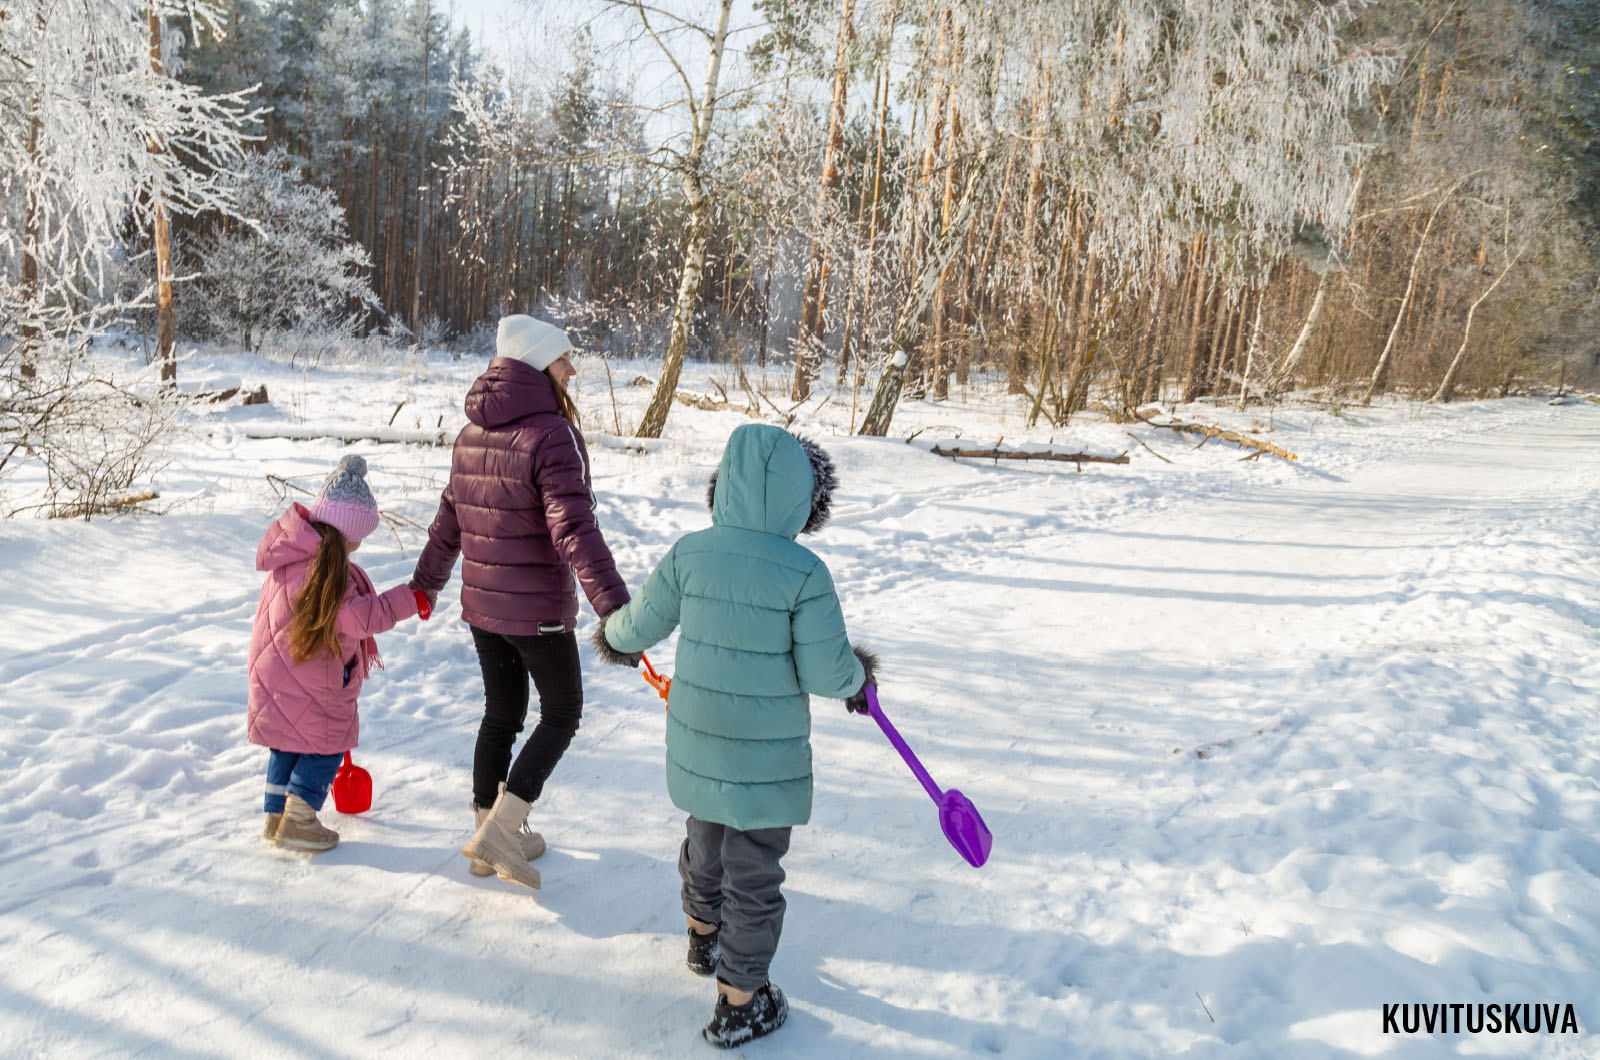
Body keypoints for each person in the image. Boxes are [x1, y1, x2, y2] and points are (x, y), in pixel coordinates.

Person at [597, 423, 877, 1049]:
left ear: (723, 485)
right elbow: (828, 671)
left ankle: (702, 936)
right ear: (803, 503)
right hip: (766, 754)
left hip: (699, 737)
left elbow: (639, 623)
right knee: (753, 872)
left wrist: (613, 638)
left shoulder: (690, 552)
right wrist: (859, 678)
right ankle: (739, 1003)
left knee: (706, 833)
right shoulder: (805, 572)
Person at [411, 314, 633, 890]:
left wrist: (425, 584)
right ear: (537, 365)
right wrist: (615, 608)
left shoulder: (470, 434)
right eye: (563, 360)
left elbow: (446, 525)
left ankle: (486, 833)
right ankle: (505, 828)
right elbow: (573, 528)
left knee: (502, 715)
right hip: (536, 611)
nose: (572, 369)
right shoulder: (551, 435)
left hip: (484, 610)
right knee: (562, 713)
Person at [247, 455, 428, 852]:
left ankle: (275, 815)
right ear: (348, 533)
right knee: (325, 747)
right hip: (315, 680)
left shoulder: (291, 556)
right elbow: (362, 618)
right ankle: (300, 817)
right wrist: (410, 598)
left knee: (286, 744)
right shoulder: (329, 573)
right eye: (361, 535)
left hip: (276, 675)